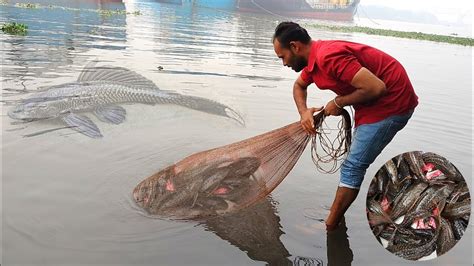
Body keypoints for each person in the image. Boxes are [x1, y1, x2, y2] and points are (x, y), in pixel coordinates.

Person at [272, 22, 418, 231]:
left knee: (353, 166)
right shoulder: (312, 63)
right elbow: (299, 86)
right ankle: (337, 218)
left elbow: (377, 87)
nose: (283, 63)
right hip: (369, 103)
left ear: (295, 47)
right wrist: (304, 112)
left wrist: (339, 102)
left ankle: (330, 225)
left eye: (282, 56)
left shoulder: (328, 56)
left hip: (392, 103)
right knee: (353, 164)